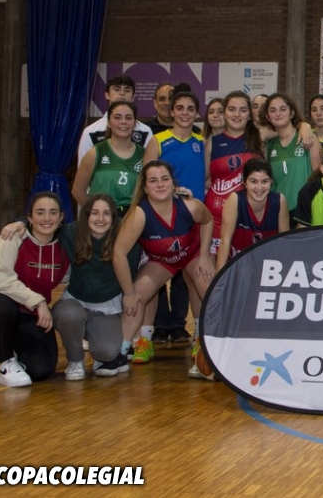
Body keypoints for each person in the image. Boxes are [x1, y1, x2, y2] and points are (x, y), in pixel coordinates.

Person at [111, 160, 215, 379]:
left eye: (165, 179)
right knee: (137, 295)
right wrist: (128, 293)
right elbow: (118, 253)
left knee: (205, 284)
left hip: (192, 253)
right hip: (161, 260)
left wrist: (205, 255)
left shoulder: (191, 206)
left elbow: (208, 221)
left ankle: (203, 341)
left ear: (173, 183)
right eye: (153, 180)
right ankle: (124, 350)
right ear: (145, 187)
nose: (160, 185)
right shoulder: (139, 214)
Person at [0, 193, 69, 386]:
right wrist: (38, 302)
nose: (47, 218)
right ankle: (5, 362)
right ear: (29, 217)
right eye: (40, 212)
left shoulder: (64, 246)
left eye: (53, 212)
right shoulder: (12, 237)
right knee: (1, 303)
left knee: (41, 370)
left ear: (61, 217)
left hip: (29, 314)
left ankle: (13, 346)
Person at [142, 87, 206, 344]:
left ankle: (183, 327)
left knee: (189, 278)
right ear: (172, 111)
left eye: (190, 109)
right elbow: (146, 177)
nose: (185, 113)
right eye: (180, 108)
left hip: (192, 218)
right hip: (163, 218)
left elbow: (207, 177)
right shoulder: (158, 140)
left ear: (197, 113)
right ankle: (156, 328)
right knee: (156, 277)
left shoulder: (202, 142)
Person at [52, 194, 139, 379]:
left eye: (106, 213)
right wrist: (21, 224)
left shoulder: (125, 239)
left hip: (106, 309)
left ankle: (98, 346)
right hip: (75, 302)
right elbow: (45, 224)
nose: (100, 218)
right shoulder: (71, 233)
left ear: (114, 217)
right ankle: (75, 360)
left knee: (107, 352)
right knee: (68, 314)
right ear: (86, 215)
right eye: (94, 213)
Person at [204, 90, 263, 255]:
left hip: (249, 216)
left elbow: (288, 126)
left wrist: (305, 127)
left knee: (247, 264)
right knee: (216, 267)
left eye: (243, 110)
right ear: (224, 113)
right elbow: (204, 179)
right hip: (217, 217)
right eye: (231, 109)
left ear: (250, 115)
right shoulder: (213, 143)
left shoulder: (260, 137)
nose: (237, 115)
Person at [217, 158, 291, 270]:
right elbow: (225, 242)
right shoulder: (235, 200)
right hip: (239, 266)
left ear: (271, 182)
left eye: (265, 181)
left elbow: (285, 243)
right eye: (253, 181)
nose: (259, 187)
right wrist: (220, 278)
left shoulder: (280, 201)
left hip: (269, 268)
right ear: (245, 183)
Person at [71, 100, 143, 215]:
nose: (123, 121)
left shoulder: (144, 154)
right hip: (103, 220)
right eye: (117, 117)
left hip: (133, 219)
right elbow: (77, 191)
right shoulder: (95, 153)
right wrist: (96, 213)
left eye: (128, 118)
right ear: (109, 122)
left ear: (135, 123)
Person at [264, 93, 323, 218]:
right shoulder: (268, 145)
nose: (278, 114)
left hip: (305, 210)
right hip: (278, 211)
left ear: (291, 113)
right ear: (267, 116)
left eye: (283, 109)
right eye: (273, 110)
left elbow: (319, 176)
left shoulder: (308, 137)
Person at [77, 74, 152, 161]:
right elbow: (83, 167)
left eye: (127, 90)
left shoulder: (145, 131)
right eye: (117, 89)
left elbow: (150, 165)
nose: (122, 93)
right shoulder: (90, 132)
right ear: (107, 95)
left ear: (132, 98)